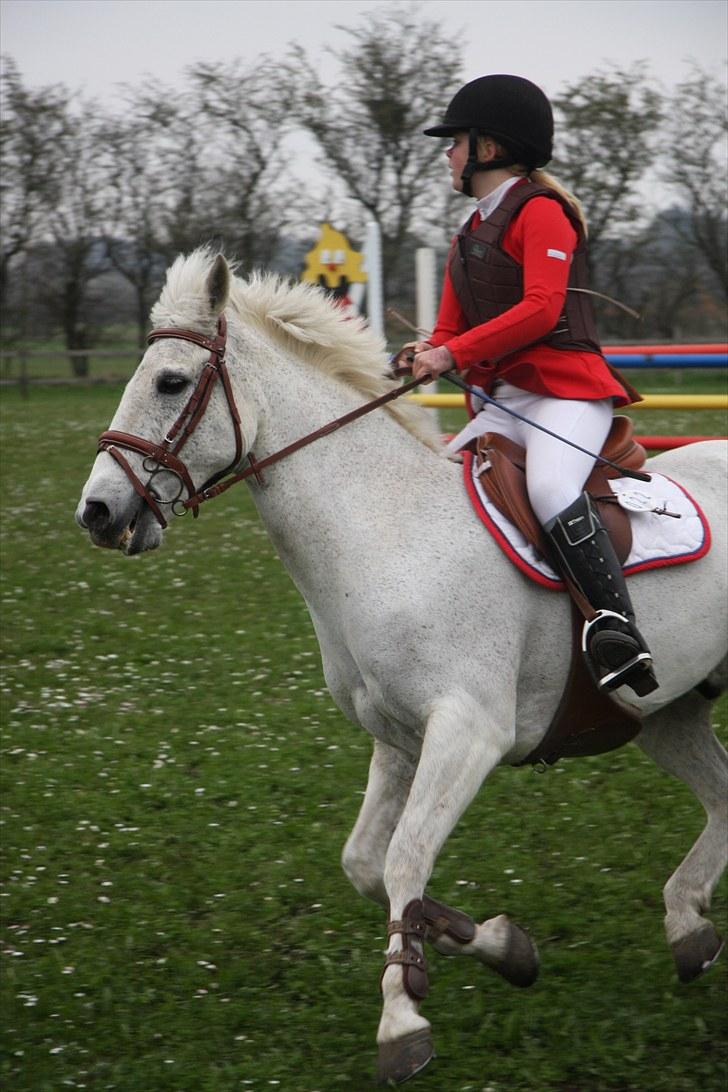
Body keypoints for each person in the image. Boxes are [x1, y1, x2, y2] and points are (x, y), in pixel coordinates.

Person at [406, 74, 658, 696]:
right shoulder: (469, 233)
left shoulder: (542, 212)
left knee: (549, 486)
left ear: (488, 148)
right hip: (505, 402)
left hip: (567, 395)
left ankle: (616, 628)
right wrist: (426, 351)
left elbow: (542, 310)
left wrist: (452, 354)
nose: (447, 154)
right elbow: (449, 329)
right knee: (441, 492)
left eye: (455, 142)